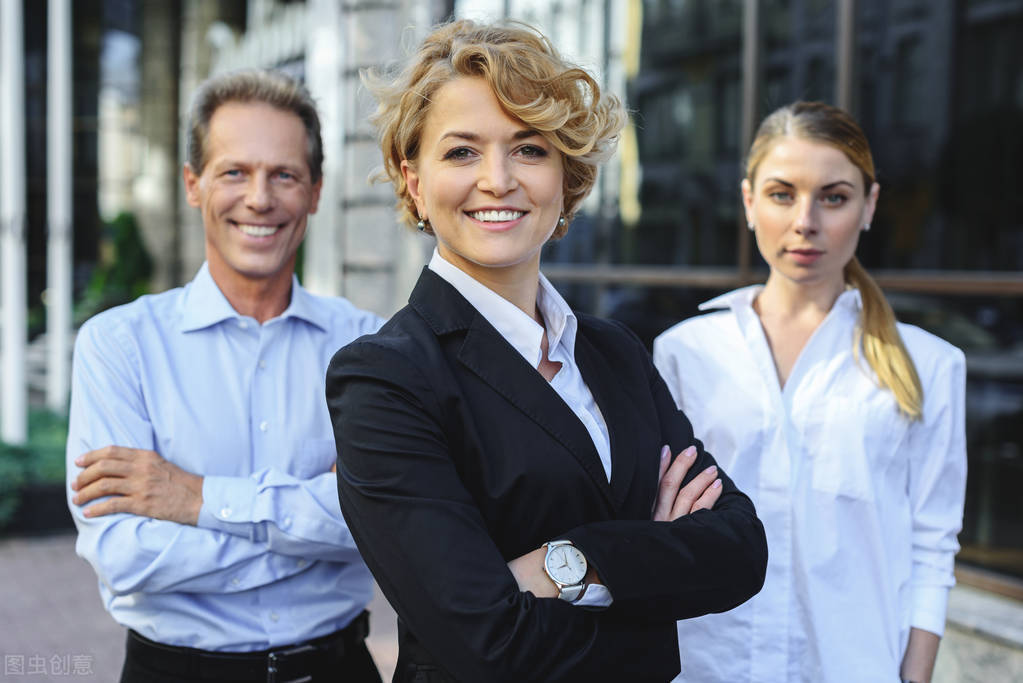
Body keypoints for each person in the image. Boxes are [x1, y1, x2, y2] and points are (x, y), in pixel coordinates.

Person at [325, 20, 768, 683]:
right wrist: (655, 589)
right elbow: (488, 642)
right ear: (413, 180)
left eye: (528, 149)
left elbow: (739, 551)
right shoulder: (385, 378)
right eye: (461, 152)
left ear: (568, 176)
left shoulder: (613, 351)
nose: (497, 179)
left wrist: (573, 561)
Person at [66, 70, 384, 683]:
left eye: (284, 175)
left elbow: (383, 521)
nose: (259, 198)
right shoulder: (118, 345)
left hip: (338, 668)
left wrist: (195, 498)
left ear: (315, 192)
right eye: (235, 171)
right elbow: (124, 557)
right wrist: (313, 526)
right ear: (194, 184)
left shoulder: (368, 345)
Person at [653, 101, 967, 683]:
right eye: (781, 194)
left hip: (853, 667)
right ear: (748, 202)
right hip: (706, 665)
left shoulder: (930, 365)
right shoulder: (684, 353)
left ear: (869, 206)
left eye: (834, 196)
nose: (805, 220)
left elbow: (933, 545)